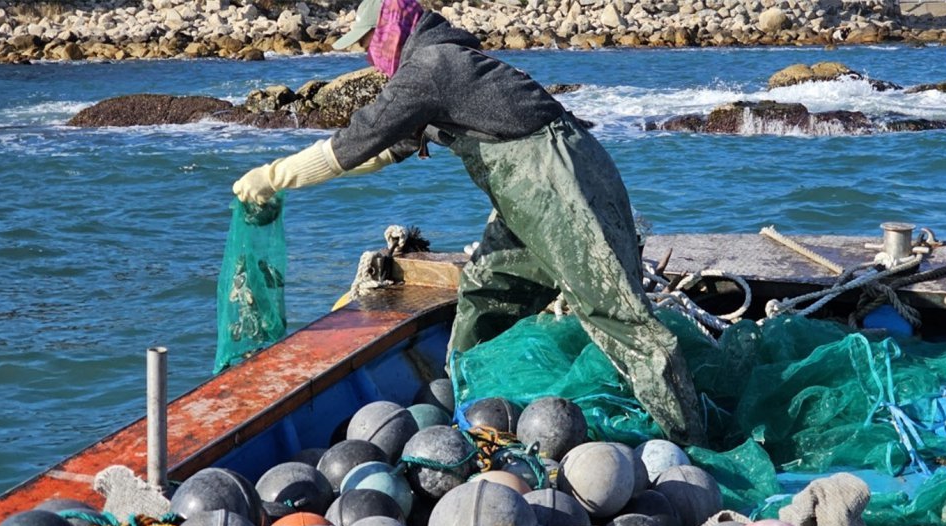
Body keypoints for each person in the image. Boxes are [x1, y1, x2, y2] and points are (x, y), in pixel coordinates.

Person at [232, 0, 705, 445]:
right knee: (491, 291)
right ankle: (473, 406)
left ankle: (688, 437)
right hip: (528, 190)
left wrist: (273, 177)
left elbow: (358, 140)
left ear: (394, 28)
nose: (367, 54)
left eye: (368, 40)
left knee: (613, 312)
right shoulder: (435, 67)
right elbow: (383, 148)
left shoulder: (432, 67)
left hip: (562, 182)